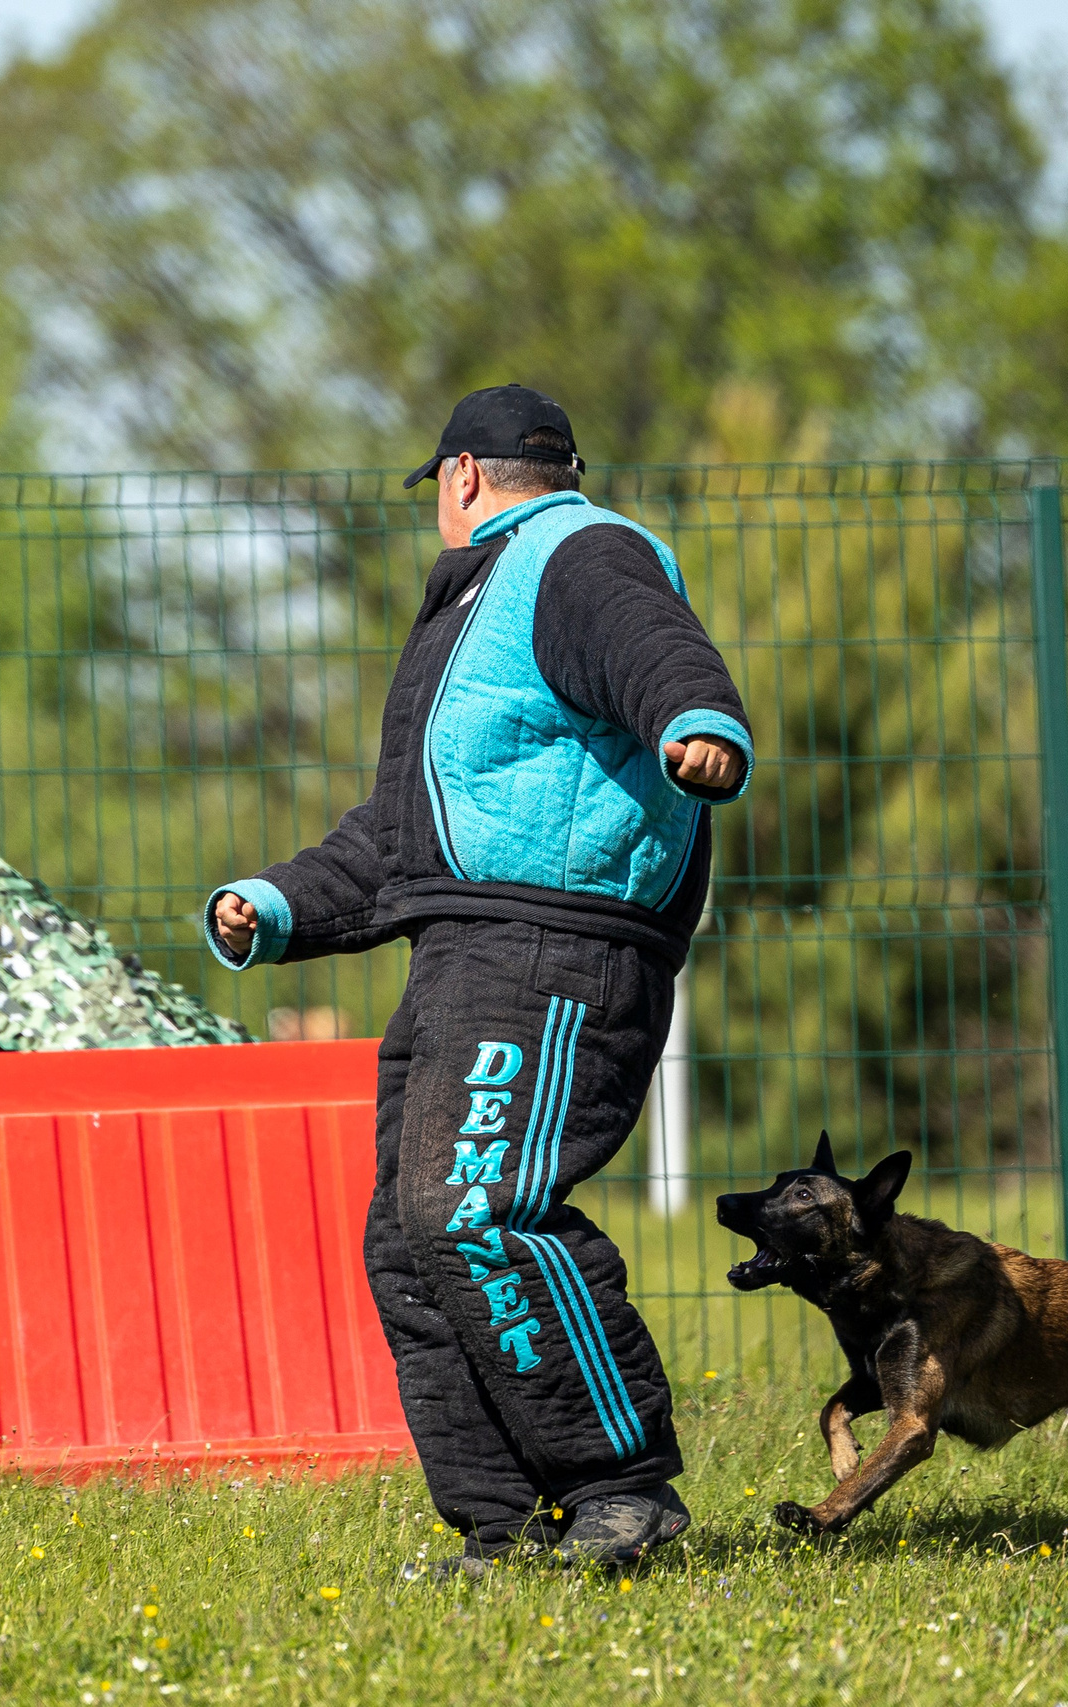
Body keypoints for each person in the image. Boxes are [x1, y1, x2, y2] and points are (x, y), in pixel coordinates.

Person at [202, 384, 752, 1578]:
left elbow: (655, 647)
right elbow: (411, 835)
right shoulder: (480, 606)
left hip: (555, 949)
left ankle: (620, 1490)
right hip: (465, 951)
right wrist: (282, 904)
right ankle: (501, 1529)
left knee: (474, 1213)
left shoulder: (575, 549)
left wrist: (696, 720)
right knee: (411, 1244)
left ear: (458, 479)